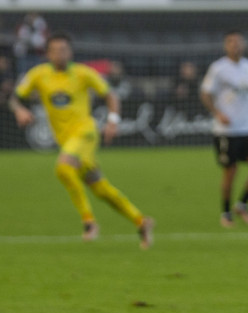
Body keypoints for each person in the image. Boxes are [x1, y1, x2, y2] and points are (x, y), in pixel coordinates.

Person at [8, 32, 154, 248]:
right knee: (100, 188)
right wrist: (19, 110)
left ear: (71, 52)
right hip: (65, 139)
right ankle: (141, 221)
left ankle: (89, 222)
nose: (60, 54)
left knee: (63, 168)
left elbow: (110, 95)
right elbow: (14, 98)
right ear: (47, 53)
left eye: (64, 49)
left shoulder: (83, 73)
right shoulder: (38, 75)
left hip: (85, 133)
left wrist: (113, 120)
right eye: (55, 50)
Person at [200, 30, 248, 228]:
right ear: (225, 46)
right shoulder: (218, 68)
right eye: (231, 42)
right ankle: (226, 213)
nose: (235, 45)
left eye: (239, 42)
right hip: (226, 131)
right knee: (231, 172)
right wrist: (217, 113)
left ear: (244, 45)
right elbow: (205, 94)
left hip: (247, 127)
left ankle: (242, 205)